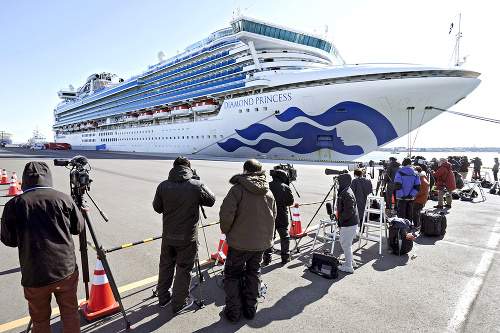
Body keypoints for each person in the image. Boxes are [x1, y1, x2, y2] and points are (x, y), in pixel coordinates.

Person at [1, 161, 85, 333]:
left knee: (39, 321)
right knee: (70, 314)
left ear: (24, 180)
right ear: (48, 177)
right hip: (65, 270)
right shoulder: (64, 198)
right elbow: (78, 228)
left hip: (34, 274)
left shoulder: (13, 205)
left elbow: (8, 240)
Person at [152, 156, 216, 313]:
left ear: (173, 168)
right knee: (183, 269)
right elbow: (211, 200)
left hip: (168, 236)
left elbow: (157, 208)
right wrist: (198, 181)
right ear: (189, 168)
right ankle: (179, 303)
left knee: (165, 265)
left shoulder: (163, 185)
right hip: (188, 238)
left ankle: (163, 298)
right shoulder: (196, 185)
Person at [219, 159, 276, 323]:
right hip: (260, 244)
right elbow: (274, 216)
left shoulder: (237, 189)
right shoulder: (268, 191)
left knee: (232, 275)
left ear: (245, 171)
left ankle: (233, 312)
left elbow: (226, 216)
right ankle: (250, 310)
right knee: (254, 273)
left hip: (239, 243)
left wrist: (228, 232)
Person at [263, 169, 294, 266]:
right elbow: (290, 202)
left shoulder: (266, 185)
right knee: (284, 237)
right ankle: (285, 257)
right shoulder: (285, 187)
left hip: (268, 216)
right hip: (281, 216)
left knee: (269, 237)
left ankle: (266, 259)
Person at [336, 173, 360, 274]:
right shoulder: (346, 191)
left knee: (345, 245)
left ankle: (348, 266)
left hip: (348, 224)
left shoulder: (346, 194)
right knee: (347, 244)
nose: (337, 184)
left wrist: (341, 219)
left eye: (338, 182)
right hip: (351, 223)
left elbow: (348, 211)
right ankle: (350, 261)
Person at [412, 166, 429, 230]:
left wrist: (413, 195)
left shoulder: (421, 180)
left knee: (415, 212)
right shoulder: (422, 178)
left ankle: (417, 225)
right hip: (420, 199)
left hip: (419, 200)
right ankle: (417, 224)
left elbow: (420, 191)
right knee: (416, 212)